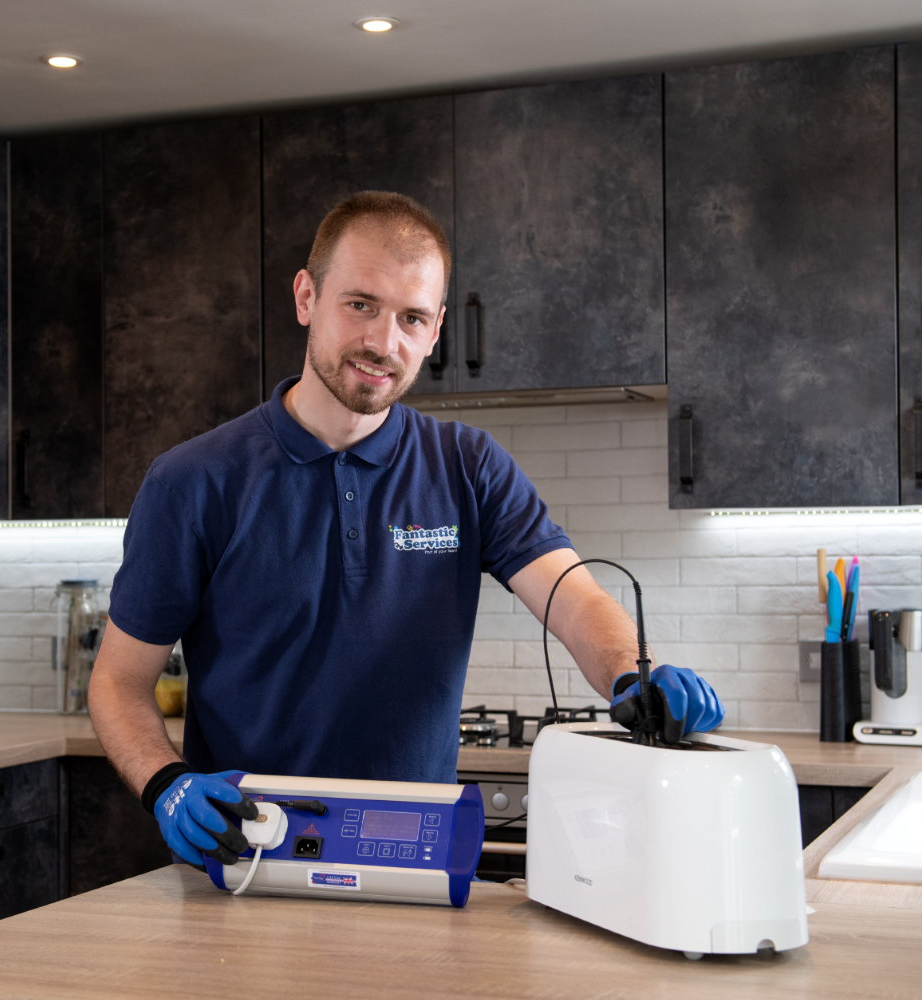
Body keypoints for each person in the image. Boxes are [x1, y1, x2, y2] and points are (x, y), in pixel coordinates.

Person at [88, 191, 724, 870]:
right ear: (307, 297)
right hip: (249, 855)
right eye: (360, 304)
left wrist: (632, 674)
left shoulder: (470, 467)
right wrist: (167, 782)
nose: (383, 343)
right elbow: (120, 681)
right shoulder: (193, 481)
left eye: (412, 318)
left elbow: (571, 595)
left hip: (413, 856)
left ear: (436, 329)